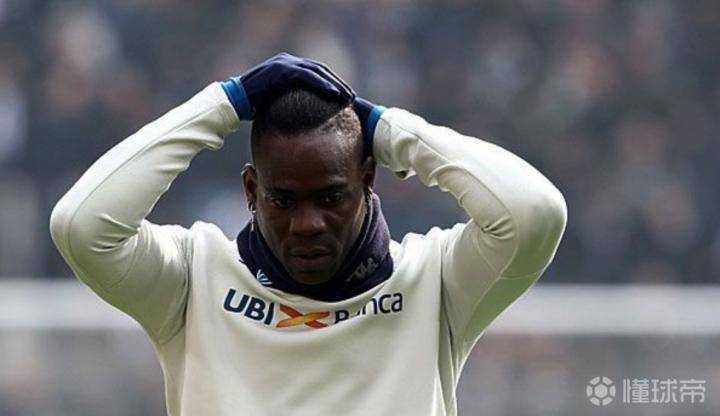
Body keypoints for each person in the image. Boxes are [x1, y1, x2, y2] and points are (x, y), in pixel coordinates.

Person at [50, 53, 567, 415]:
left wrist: (388, 129)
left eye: (331, 197)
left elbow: (535, 212)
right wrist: (224, 104)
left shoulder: (433, 280)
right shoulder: (191, 279)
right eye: (283, 200)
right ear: (251, 190)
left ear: (368, 179)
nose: (308, 224)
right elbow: (81, 224)